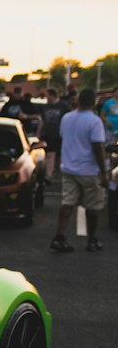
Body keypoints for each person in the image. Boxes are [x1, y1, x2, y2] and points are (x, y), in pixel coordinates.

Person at [49, 88, 108, 253]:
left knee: (67, 203)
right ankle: (92, 239)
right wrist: (103, 173)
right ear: (94, 102)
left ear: (79, 100)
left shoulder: (67, 118)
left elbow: (64, 139)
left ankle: (59, 237)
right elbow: (98, 147)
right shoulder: (95, 121)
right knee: (93, 207)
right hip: (89, 170)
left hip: (69, 168)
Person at [40, 87, 65, 182]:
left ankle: (57, 173)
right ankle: (48, 175)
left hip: (60, 135)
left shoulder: (63, 106)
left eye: (47, 96)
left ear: (52, 95)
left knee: (58, 156)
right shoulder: (46, 107)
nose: (46, 98)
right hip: (48, 134)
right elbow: (42, 120)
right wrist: (39, 132)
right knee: (50, 154)